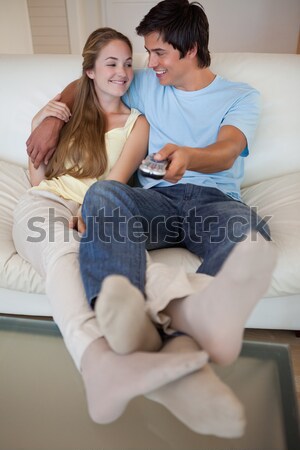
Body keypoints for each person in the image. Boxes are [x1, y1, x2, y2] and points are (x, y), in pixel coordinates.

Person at [24, 1, 277, 437]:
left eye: (158, 53)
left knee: (247, 233)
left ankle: (182, 331)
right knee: (105, 193)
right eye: (147, 52)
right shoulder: (146, 82)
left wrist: (190, 157)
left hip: (212, 201)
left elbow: (229, 148)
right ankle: (116, 313)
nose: (149, 62)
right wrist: (51, 117)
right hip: (155, 202)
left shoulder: (239, 96)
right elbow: (87, 82)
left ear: (190, 48)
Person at [13, 26, 213, 431]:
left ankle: (171, 337)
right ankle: (98, 359)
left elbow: (117, 183)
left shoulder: (137, 123)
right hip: (47, 203)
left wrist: (90, 213)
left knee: (125, 259)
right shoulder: (60, 116)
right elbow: (39, 177)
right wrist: (45, 121)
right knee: (63, 256)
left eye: (126, 63)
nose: (122, 72)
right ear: (89, 70)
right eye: (111, 63)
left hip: (101, 207)